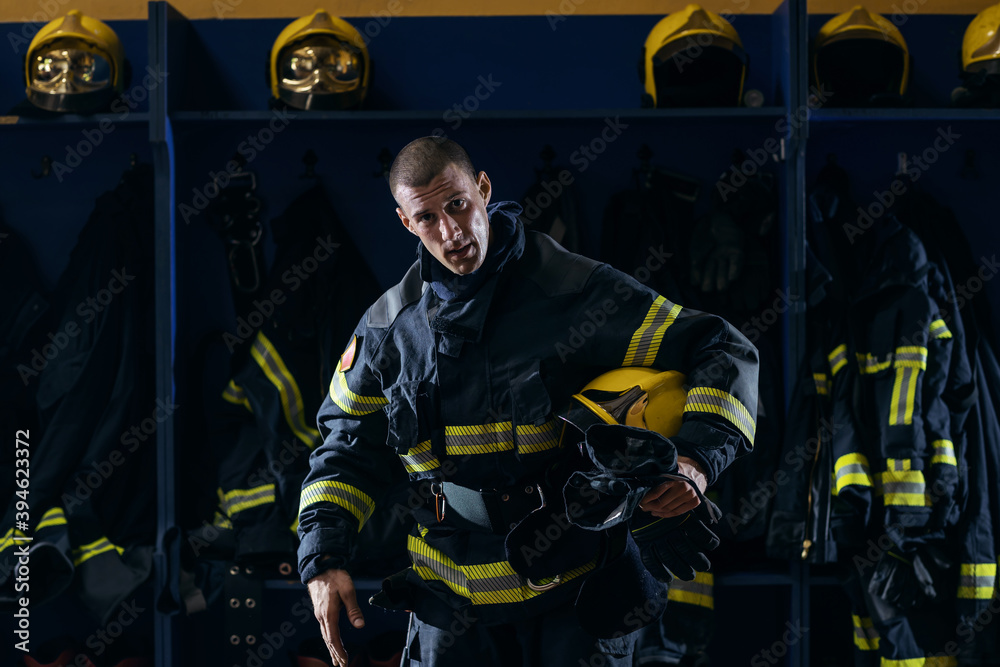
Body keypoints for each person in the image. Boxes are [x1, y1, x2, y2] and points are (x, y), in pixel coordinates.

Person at [297, 137, 759, 666]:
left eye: (458, 204)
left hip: (575, 597)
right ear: (406, 222)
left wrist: (694, 461)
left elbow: (721, 347)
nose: (451, 233)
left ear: (484, 189)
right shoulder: (387, 331)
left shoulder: (572, 292)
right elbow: (347, 448)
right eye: (427, 217)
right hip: (451, 609)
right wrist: (322, 557)